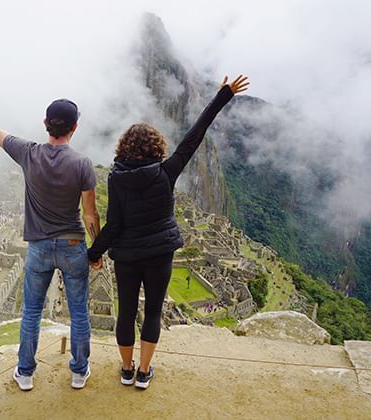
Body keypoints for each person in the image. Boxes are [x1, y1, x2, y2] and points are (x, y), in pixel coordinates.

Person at [87, 75, 249, 389]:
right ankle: (144, 372)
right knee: (152, 312)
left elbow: (114, 224)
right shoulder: (167, 171)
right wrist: (222, 97)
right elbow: (194, 136)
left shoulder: (117, 179)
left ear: (124, 148)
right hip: (160, 253)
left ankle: (126, 368)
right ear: (156, 146)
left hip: (128, 255)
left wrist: (93, 254)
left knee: (126, 312)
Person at [0, 72, 101, 391]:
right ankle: (78, 371)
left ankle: (26, 373)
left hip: (39, 247)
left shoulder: (28, 153)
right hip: (73, 244)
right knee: (79, 313)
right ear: (74, 128)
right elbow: (90, 214)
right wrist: (95, 250)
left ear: (46, 123)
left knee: (31, 311)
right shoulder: (83, 164)